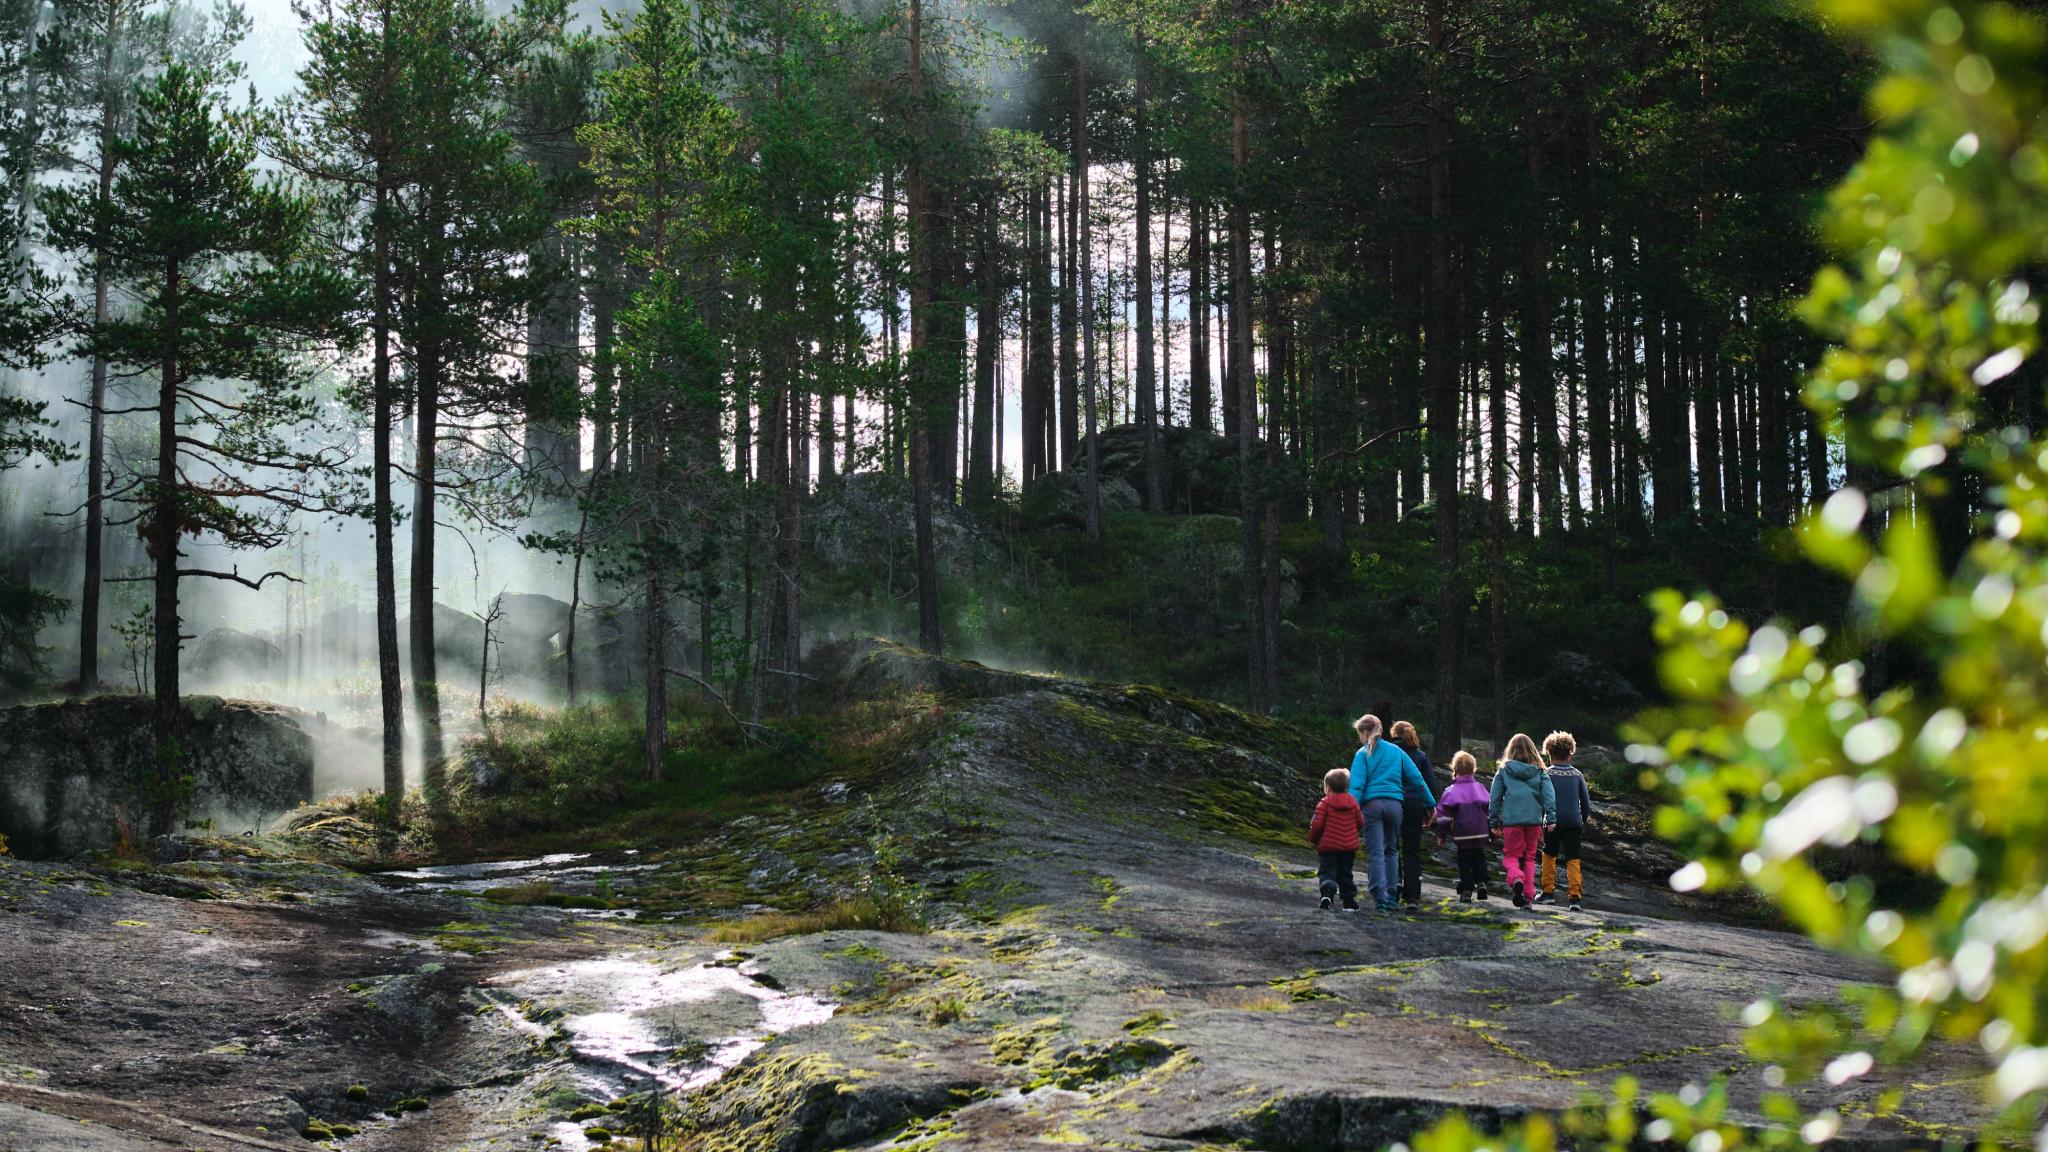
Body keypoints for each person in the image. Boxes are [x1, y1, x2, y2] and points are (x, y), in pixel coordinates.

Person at [1349, 714, 1436, 913]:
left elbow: (1356, 786)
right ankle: (1391, 895)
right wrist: (1430, 804)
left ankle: (1380, 896)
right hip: (1395, 806)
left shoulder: (1362, 754)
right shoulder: (1396, 751)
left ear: (1364, 732)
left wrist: (1351, 810)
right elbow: (1417, 779)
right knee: (1391, 850)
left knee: (1376, 851)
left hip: (1372, 806)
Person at [1488, 732, 1556, 908]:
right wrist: (1551, 817)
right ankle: (1527, 897)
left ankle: (1516, 877)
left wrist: (1493, 822)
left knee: (1511, 856)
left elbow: (1495, 797)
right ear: (1533, 751)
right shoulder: (1540, 771)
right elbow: (1549, 796)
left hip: (1513, 821)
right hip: (1534, 821)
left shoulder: (1504, 770)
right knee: (1529, 858)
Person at [1536, 731, 1595, 912]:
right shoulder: (1577, 775)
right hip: (1573, 824)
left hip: (1551, 823)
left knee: (1549, 854)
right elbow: (1585, 803)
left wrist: (1540, 822)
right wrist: (1581, 821)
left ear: (1549, 753)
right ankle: (1575, 898)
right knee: (1573, 858)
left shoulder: (1546, 774)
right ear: (1571, 753)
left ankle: (1547, 893)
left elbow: (1540, 800)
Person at [1389, 721, 1436, 910]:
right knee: (1412, 849)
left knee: (1391, 846)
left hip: (1392, 801)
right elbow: (1429, 784)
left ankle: (1395, 883)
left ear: (1393, 734)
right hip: (1415, 804)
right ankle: (1413, 896)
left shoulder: (1388, 752)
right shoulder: (1421, 756)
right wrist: (1429, 809)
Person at [1434, 751, 1493, 901]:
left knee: (1464, 860)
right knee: (1479, 857)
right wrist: (1491, 830)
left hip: (1463, 832)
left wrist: (1441, 835)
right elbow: (1490, 810)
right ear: (1474, 769)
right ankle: (1481, 883)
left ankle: (1467, 889)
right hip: (1480, 831)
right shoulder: (1480, 788)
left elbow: (1444, 817)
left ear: (1455, 770)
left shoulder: (1451, 791)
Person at [1308, 768, 1364, 911]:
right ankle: (1349, 901)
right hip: (1349, 848)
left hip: (1328, 846)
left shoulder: (1324, 803)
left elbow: (1317, 824)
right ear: (1346, 787)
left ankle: (1326, 895)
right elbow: (1360, 823)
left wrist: (1313, 839)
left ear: (1328, 787)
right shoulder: (1353, 802)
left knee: (1327, 871)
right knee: (1345, 873)